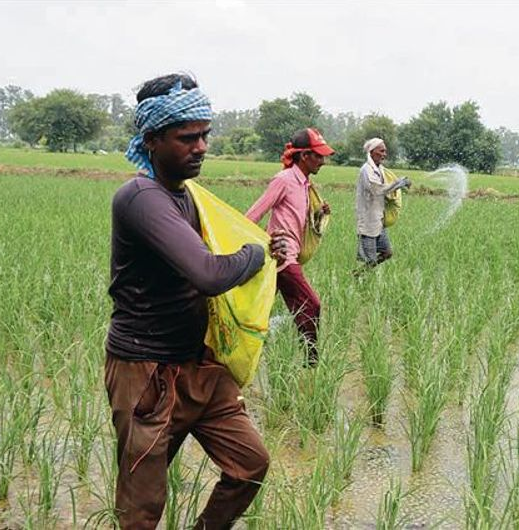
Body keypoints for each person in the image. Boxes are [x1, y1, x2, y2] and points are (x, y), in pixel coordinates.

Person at [106, 73, 288, 529]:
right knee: (141, 508)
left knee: (250, 464)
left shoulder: (186, 198)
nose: (202, 146)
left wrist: (263, 249)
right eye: (188, 137)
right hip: (147, 374)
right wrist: (255, 253)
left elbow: (222, 250)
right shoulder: (140, 199)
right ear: (152, 139)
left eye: (205, 134)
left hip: (199, 368)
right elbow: (208, 273)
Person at [246, 128, 335, 367]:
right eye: (319, 156)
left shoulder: (305, 184)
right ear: (304, 155)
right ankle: (312, 362)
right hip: (282, 255)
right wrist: (236, 241)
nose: (323, 161)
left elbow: (297, 218)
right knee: (312, 304)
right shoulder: (284, 180)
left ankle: (241, 348)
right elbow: (255, 213)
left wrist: (318, 213)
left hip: (289, 253)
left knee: (256, 309)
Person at [355, 138, 411, 268]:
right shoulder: (367, 170)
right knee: (370, 260)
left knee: (387, 252)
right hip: (368, 221)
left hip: (379, 220)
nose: (384, 154)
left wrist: (399, 184)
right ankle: (358, 278)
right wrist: (399, 183)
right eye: (382, 151)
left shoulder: (380, 169)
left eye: (385, 151)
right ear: (372, 152)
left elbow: (386, 186)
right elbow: (378, 189)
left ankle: (359, 276)